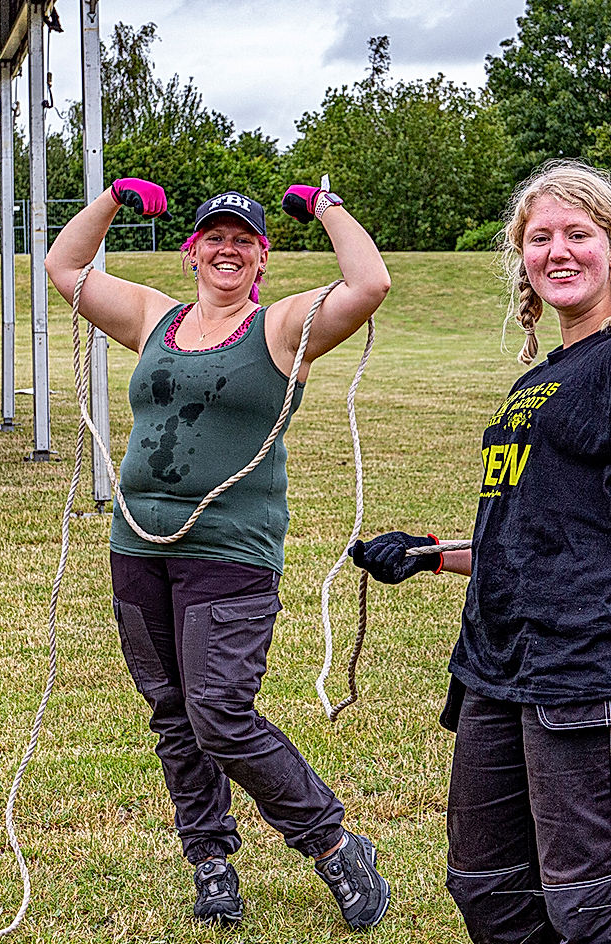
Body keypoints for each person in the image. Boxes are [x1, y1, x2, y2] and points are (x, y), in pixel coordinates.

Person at [349, 160, 611, 944]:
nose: (557, 251)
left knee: (594, 907)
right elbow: (531, 529)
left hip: (584, 665)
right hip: (495, 664)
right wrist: (429, 553)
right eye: (539, 237)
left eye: (578, 235)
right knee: (486, 887)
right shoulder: (537, 380)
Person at [44, 178, 392, 930]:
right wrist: (111, 199)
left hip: (231, 551)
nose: (227, 249)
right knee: (173, 714)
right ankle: (211, 865)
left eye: (243, 239)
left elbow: (369, 282)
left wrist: (327, 205)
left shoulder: (283, 326)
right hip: (137, 544)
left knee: (219, 713)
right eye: (215, 238)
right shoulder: (152, 318)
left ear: (262, 257)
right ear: (190, 252)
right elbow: (65, 269)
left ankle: (333, 844)